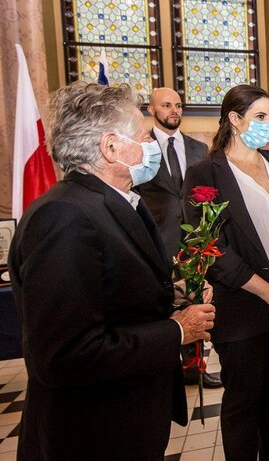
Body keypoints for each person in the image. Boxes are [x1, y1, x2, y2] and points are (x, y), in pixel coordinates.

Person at [8, 82, 215, 460]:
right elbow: (64, 355)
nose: (152, 145)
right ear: (111, 147)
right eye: (144, 136)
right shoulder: (65, 217)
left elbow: (115, 295)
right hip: (93, 432)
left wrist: (176, 293)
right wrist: (178, 329)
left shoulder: (114, 203)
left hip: (127, 419)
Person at [182, 84, 269, 461]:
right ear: (234, 119)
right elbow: (208, 247)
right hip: (244, 306)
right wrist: (266, 291)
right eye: (260, 117)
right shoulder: (204, 173)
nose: (268, 124)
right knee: (244, 399)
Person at [136, 87, 222, 389]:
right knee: (162, 306)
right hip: (157, 241)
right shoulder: (140, 148)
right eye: (166, 105)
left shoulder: (199, 149)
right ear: (152, 110)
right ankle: (163, 370)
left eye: (178, 105)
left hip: (195, 242)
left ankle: (193, 368)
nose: (174, 110)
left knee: (194, 302)